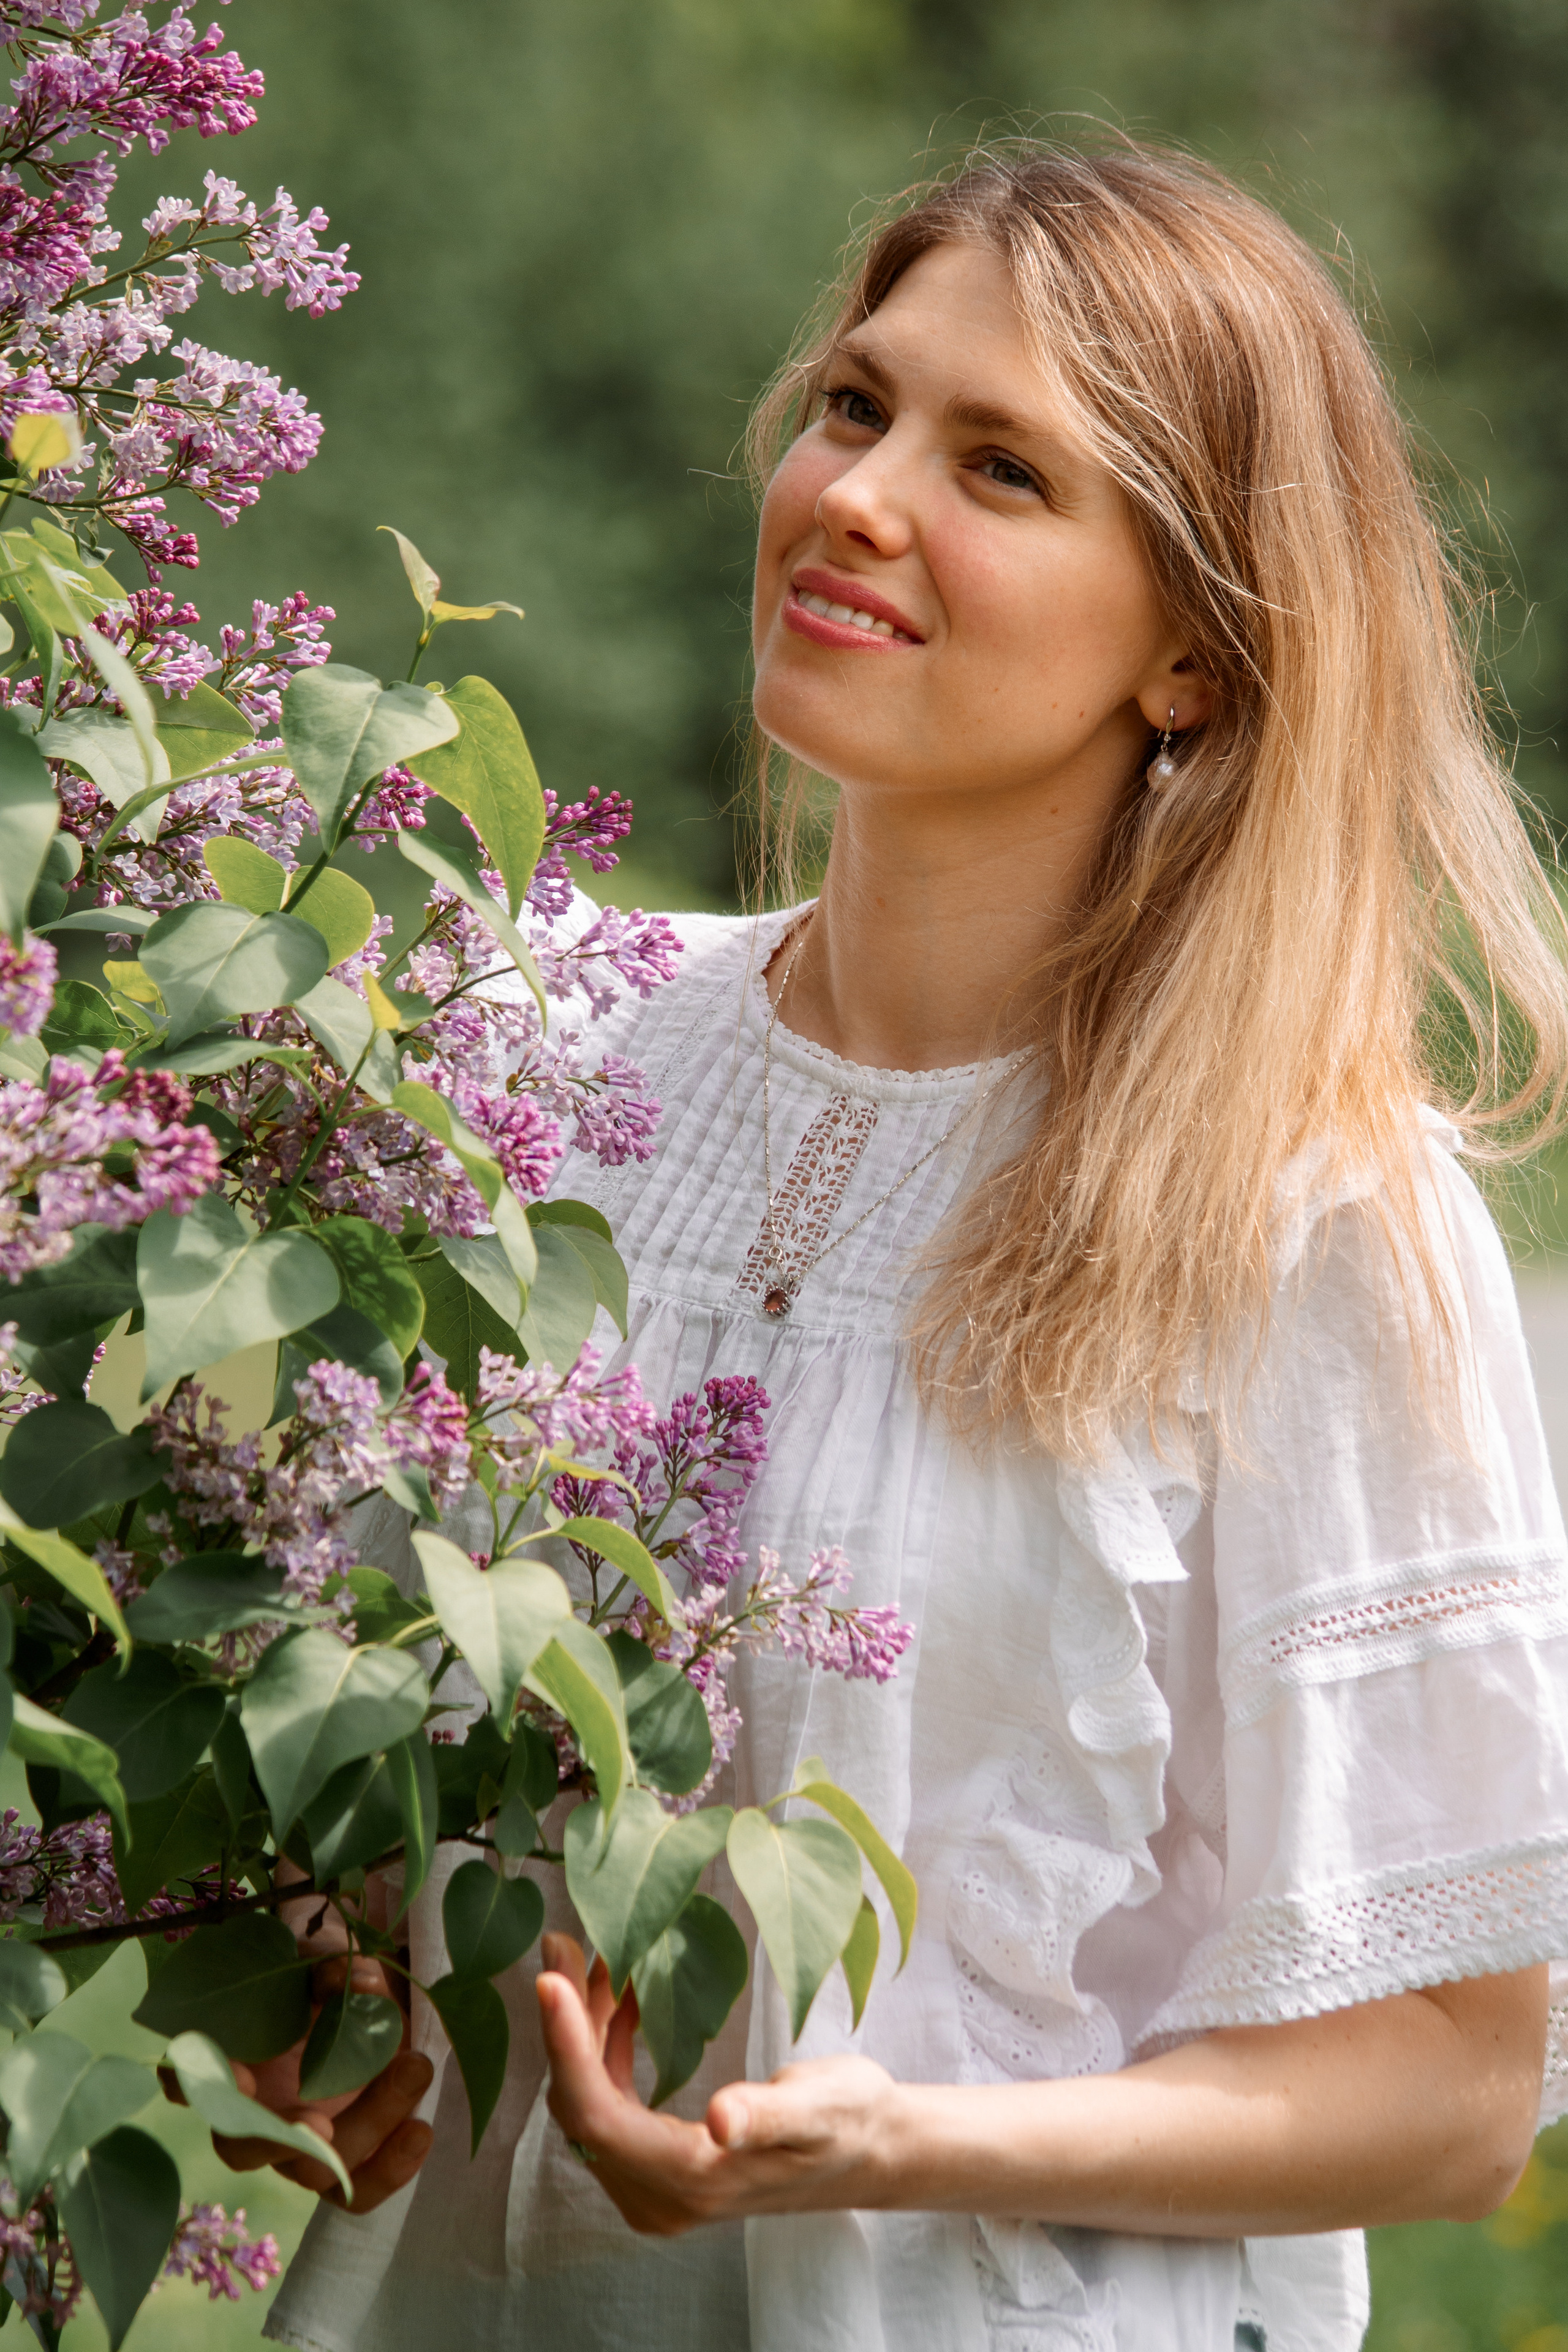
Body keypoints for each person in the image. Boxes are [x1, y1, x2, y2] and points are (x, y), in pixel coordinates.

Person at [257, 139, 1568, 2352]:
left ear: (1195, 659)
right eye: (858, 406)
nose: (858, 495)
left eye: (1006, 472)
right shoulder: (531, 1036)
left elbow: (1451, 2090)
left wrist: (897, 2137)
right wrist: (307, 1944)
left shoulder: (1306, 1207)